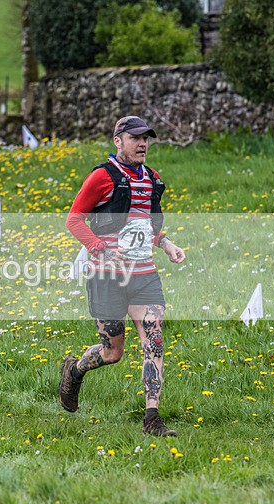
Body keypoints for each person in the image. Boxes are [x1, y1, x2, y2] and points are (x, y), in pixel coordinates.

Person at [60, 115, 186, 437]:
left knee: (153, 341)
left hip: (144, 275)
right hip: (107, 276)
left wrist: (166, 243)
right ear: (118, 141)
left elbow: (144, 225)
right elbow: (74, 220)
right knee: (112, 352)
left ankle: (152, 419)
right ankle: (75, 370)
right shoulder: (102, 177)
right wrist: (99, 247)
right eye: (135, 138)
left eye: (146, 138)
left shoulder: (152, 179)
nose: (143, 143)